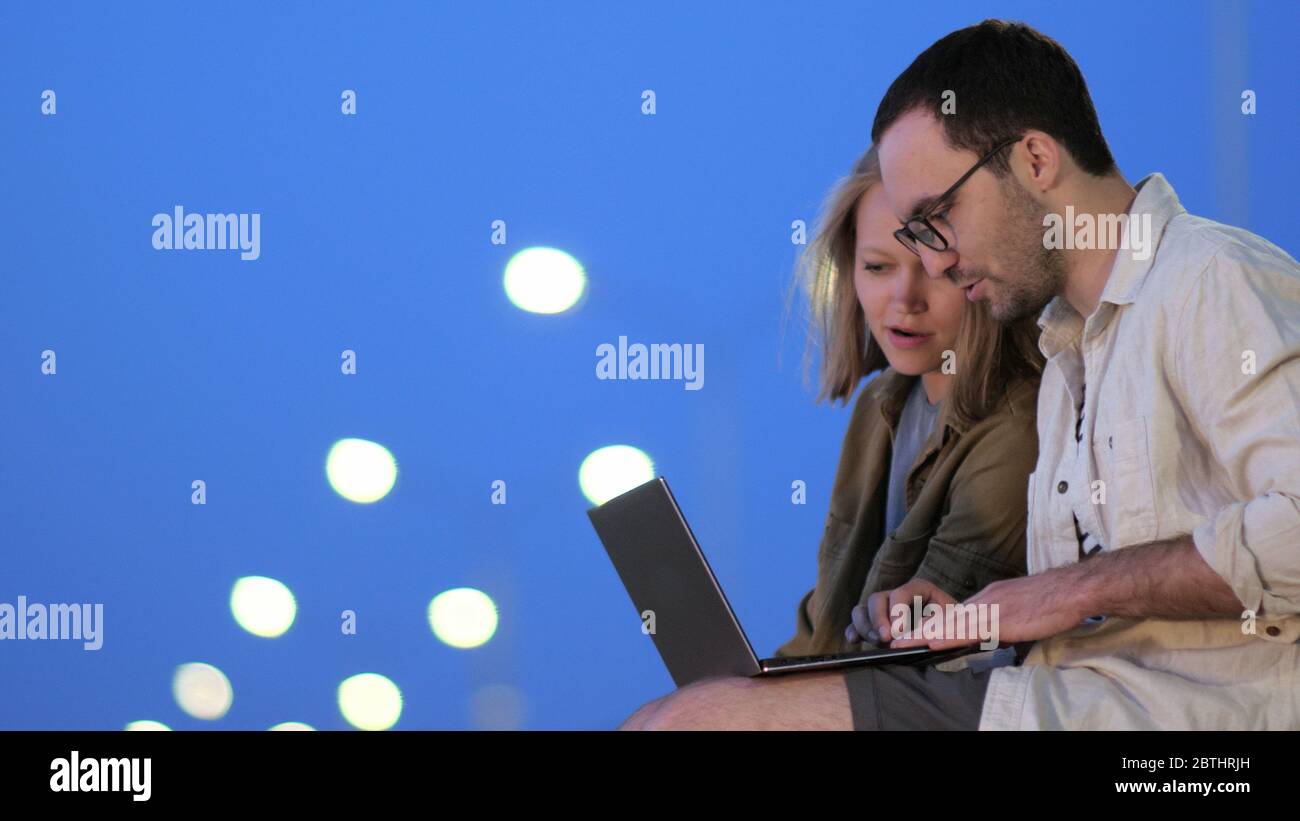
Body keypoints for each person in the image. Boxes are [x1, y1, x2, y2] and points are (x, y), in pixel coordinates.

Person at [620, 19, 1300, 730]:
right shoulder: (1070, 351)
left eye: (938, 216)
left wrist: (1059, 592)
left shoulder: (1212, 282)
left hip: (1187, 737)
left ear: (1036, 159)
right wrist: (976, 621)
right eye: (903, 244)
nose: (936, 262)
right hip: (1061, 702)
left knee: (696, 721)